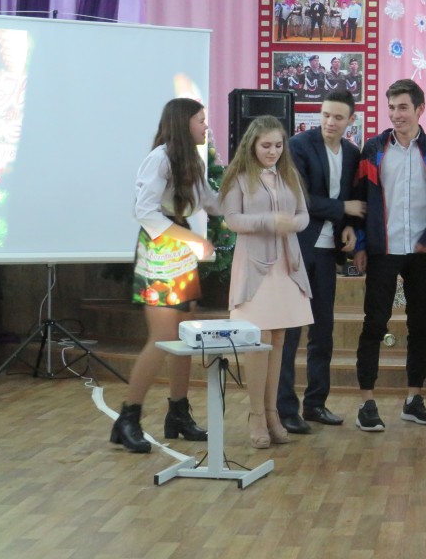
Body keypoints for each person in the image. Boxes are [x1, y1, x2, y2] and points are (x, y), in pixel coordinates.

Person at [112, 98, 218, 454]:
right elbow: (145, 211)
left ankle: (178, 413)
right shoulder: (159, 159)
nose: (205, 126)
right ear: (183, 122)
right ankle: (128, 417)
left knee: (185, 335)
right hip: (159, 253)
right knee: (162, 337)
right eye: (200, 120)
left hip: (181, 252)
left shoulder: (193, 161)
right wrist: (193, 240)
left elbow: (211, 201)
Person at [353, 79, 426, 431]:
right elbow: (361, 200)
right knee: (374, 324)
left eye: (403, 107)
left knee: (420, 324)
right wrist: (361, 244)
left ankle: (414, 399)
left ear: (420, 109)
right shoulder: (373, 149)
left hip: (422, 253)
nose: (396, 115)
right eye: (392, 107)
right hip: (383, 250)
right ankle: (367, 402)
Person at [221, 116, 313, 448]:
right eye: (266, 146)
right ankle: (256, 414)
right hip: (255, 267)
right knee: (257, 339)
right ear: (252, 145)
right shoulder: (239, 177)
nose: (273, 151)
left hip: (287, 266)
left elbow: (303, 214)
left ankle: (273, 412)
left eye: (278, 145)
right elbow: (232, 219)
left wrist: (292, 224)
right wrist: (268, 221)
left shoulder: (289, 175)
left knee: (279, 339)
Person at [277, 90, 365, 434]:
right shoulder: (298, 145)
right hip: (298, 248)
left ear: (350, 120)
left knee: (323, 331)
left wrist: (350, 226)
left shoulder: (353, 153)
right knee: (290, 331)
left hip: (329, 253)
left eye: (338, 117)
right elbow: (300, 198)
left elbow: (355, 200)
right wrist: (343, 209)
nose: (330, 122)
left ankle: (315, 403)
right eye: (325, 114)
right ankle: (286, 408)